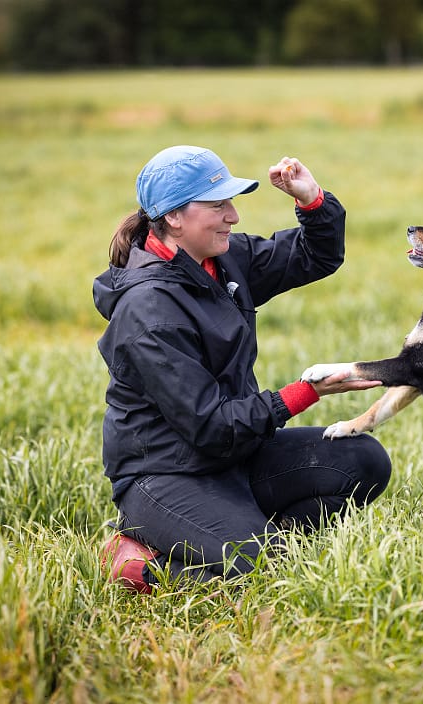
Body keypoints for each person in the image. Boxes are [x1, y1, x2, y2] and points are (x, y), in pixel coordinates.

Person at [93, 145, 391, 591]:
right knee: (262, 573)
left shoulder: (221, 260)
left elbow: (316, 256)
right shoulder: (148, 310)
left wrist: (310, 200)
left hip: (237, 455)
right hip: (166, 474)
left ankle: (244, 533)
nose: (233, 215)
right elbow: (211, 426)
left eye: (231, 202)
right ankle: (138, 560)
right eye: (218, 205)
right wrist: (305, 393)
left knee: (364, 460)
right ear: (174, 217)